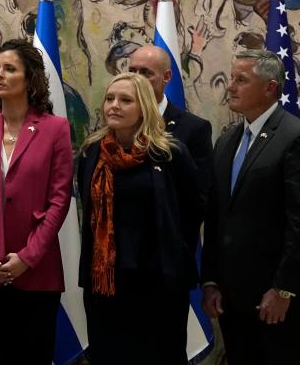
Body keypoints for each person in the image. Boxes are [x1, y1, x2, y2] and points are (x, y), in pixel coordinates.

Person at [0, 39, 72, 364]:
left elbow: (59, 200)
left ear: (30, 78)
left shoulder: (56, 129)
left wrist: (26, 258)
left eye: (9, 69)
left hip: (36, 274)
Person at [78, 72, 202, 364]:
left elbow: (191, 212)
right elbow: (89, 214)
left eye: (125, 100)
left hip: (158, 283)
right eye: (110, 99)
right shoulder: (92, 152)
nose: (114, 106)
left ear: (144, 106)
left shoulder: (169, 153)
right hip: (106, 283)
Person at [202, 50, 300, 364]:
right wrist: (211, 280)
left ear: (270, 88)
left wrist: (283, 289)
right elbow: (217, 216)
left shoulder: (293, 137)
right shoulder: (228, 139)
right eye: (231, 79)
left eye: (241, 80)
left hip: (274, 298)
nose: (231, 87)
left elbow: (298, 222)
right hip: (231, 298)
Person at [128, 45, 213, 195]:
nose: (136, 79)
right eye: (132, 71)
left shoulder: (194, 128)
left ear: (166, 77)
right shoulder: (120, 122)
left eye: (145, 73)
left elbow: (199, 192)